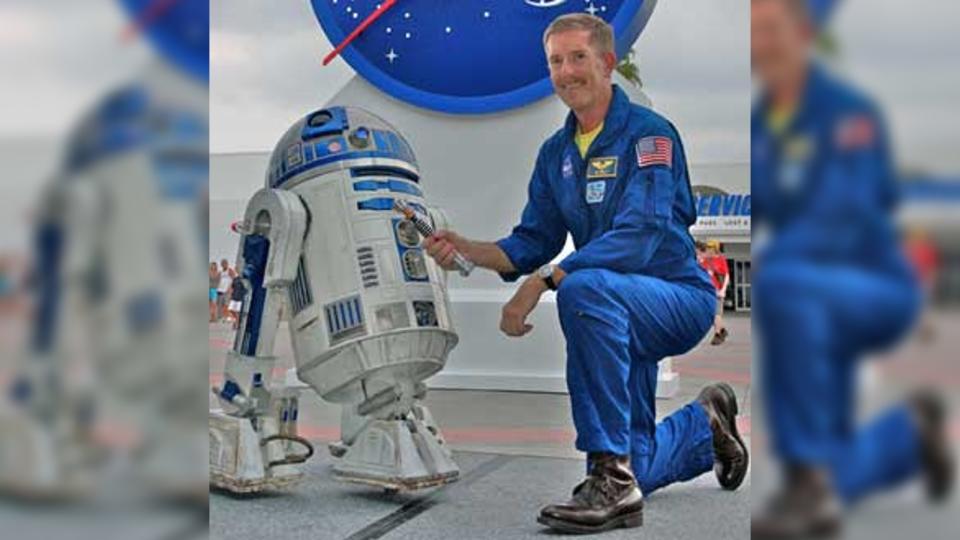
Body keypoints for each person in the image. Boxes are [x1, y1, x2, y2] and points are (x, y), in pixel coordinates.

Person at [423, 13, 748, 533]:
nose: (566, 71)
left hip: (675, 297)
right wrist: (469, 250)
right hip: (618, 306)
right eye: (556, 60)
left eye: (578, 57)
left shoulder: (649, 136)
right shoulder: (556, 154)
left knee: (583, 288)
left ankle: (608, 483)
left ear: (607, 63)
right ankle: (703, 427)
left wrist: (545, 281)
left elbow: (640, 236)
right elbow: (532, 241)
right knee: (637, 462)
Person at [750, 1, 953, 537]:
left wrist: (778, 264)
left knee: (783, 282)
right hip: (808, 293)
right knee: (835, 459)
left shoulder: (847, 113)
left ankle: (808, 481)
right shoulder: (761, 122)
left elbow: (842, 214)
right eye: (753, 33)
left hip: (873, 283)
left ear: (803, 34)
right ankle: (906, 438)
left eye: (770, 30)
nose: (760, 44)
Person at [697, 240, 730, 345]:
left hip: (717, 291)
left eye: (711, 248)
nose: (709, 250)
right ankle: (722, 330)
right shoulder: (704, 261)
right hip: (707, 291)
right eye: (708, 248)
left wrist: (723, 290)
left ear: (716, 249)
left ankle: (717, 334)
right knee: (711, 314)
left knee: (716, 314)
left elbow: (726, 276)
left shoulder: (720, 260)